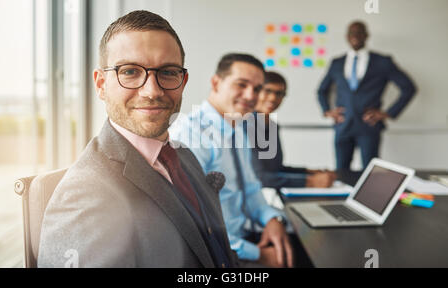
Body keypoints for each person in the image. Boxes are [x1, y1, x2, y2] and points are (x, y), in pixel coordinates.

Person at [38, 10, 236, 268]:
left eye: (167, 72)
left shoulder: (184, 157)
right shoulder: (85, 196)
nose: (152, 91)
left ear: (183, 81)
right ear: (100, 84)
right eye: (130, 71)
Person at [170, 53, 294, 268]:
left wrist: (272, 219)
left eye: (257, 89)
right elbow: (194, 223)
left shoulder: (237, 128)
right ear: (216, 83)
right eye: (241, 85)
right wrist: (258, 255)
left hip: (242, 238)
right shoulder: (190, 136)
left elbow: (252, 189)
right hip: (218, 253)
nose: (250, 95)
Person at [317, 21, 416, 170]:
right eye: (352, 33)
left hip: (368, 126)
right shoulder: (337, 62)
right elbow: (321, 90)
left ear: (366, 35)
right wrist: (327, 111)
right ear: (347, 36)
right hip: (343, 125)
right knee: (341, 172)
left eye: (359, 32)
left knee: (370, 173)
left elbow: (408, 88)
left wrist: (388, 113)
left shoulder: (383, 62)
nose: (355, 36)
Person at [252, 71, 336, 189]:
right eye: (267, 91)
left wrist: (310, 172)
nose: (273, 98)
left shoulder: (272, 126)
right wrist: (310, 182)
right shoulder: (243, 126)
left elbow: (276, 169)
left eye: (279, 93)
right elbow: (258, 178)